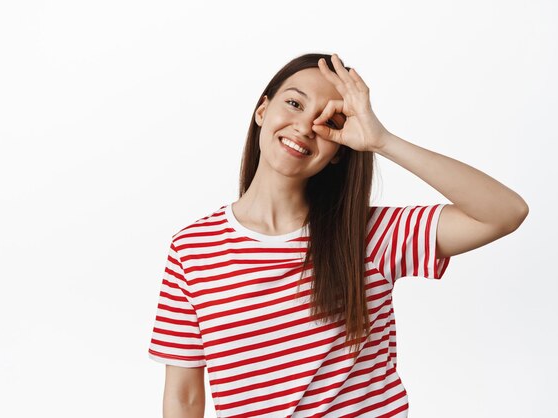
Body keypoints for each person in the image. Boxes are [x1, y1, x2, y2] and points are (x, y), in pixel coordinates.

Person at [146, 52, 529, 417]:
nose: (305, 127)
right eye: (294, 104)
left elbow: (504, 213)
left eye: (329, 121)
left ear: (341, 149)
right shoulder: (192, 249)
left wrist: (383, 141)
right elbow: (184, 397)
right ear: (262, 111)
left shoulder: (371, 235)